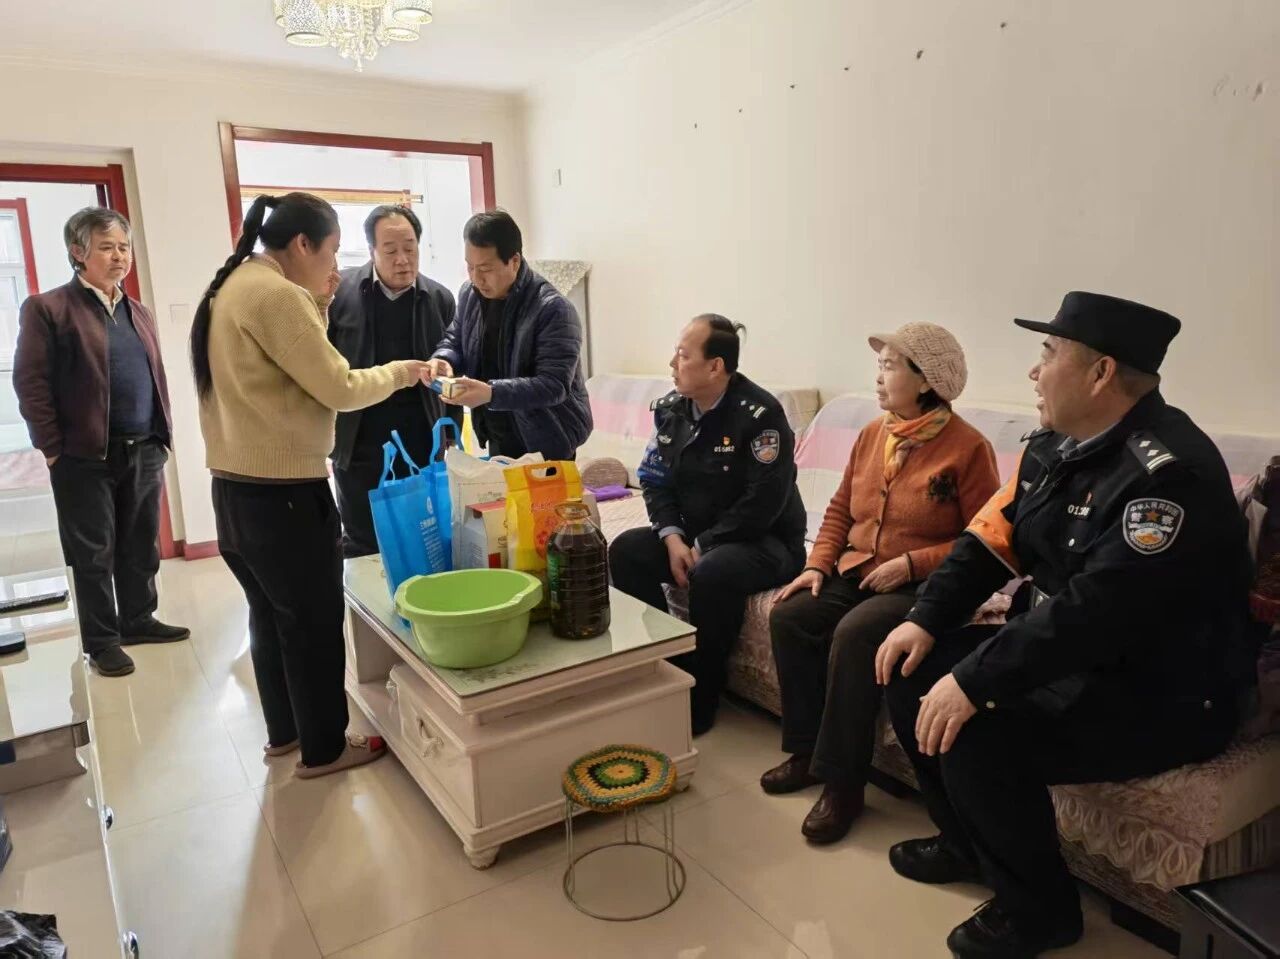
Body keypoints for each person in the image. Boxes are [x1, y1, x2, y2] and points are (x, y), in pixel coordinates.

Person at [874, 292, 1255, 958]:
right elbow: (990, 540)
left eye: (1048, 353)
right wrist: (925, 618)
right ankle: (966, 846)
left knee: (976, 730)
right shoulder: (1056, 444)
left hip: (1159, 689)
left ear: (1100, 373)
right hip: (1074, 655)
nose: (1033, 371)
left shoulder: (1171, 476)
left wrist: (975, 680)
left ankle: (1039, 912)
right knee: (912, 673)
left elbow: (1096, 612)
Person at [191, 192, 434, 779]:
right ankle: (325, 749)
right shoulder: (276, 295)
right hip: (284, 495)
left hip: (234, 490)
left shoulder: (233, 285)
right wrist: (404, 372)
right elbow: (339, 387)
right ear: (302, 244)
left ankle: (286, 734)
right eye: (331, 251)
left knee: (271, 616)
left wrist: (319, 305)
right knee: (315, 622)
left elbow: (288, 372)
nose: (333, 266)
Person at [762, 323, 998, 843]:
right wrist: (816, 566)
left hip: (925, 588)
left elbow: (983, 540)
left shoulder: (969, 448)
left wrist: (913, 564)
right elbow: (840, 509)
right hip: (858, 570)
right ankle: (804, 752)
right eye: (880, 365)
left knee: (856, 633)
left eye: (890, 366)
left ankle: (842, 785)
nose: (878, 376)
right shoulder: (874, 434)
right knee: (791, 615)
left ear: (926, 379)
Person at [609, 315, 807, 734]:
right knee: (626, 551)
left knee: (713, 572)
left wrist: (701, 545)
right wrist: (672, 539)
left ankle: (703, 693)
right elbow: (654, 481)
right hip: (699, 536)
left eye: (683, 356)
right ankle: (670, 665)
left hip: (767, 541)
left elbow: (764, 502)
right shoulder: (672, 410)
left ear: (715, 366)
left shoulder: (761, 415)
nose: (672, 364)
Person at [13, 207, 188, 678]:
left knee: (141, 542)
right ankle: (102, 640)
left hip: (144, 446)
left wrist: (162, 435)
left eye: (124, 248)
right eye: (107, 247)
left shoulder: (137, 311)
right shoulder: (48, 308)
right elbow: (30, 383)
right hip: (83, 455)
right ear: (77, 251)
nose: (119, 257)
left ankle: (138, 619)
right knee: (92, 553)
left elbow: (154, 375)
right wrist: (52, 448)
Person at [328, 204, 459, 557]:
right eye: (390, 251)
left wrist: (449, 435)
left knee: (424, 535)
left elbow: (453, 365)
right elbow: (324, 368)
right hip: (358, 438)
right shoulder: (340, 294)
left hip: (421, 437)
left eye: (410, 248)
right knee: (363, 540)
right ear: (371, 250)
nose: (403, 260)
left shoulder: (440, 298)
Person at [424, 210, 591, 460]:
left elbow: (554, 385)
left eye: (485, 268)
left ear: (514, 261)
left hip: (547, 439)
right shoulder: (470, 295)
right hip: (497, 432)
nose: (476, 278)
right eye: (470, 267)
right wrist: (444, 360)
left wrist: (491, 393)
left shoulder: (553, 309)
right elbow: (455, 339)